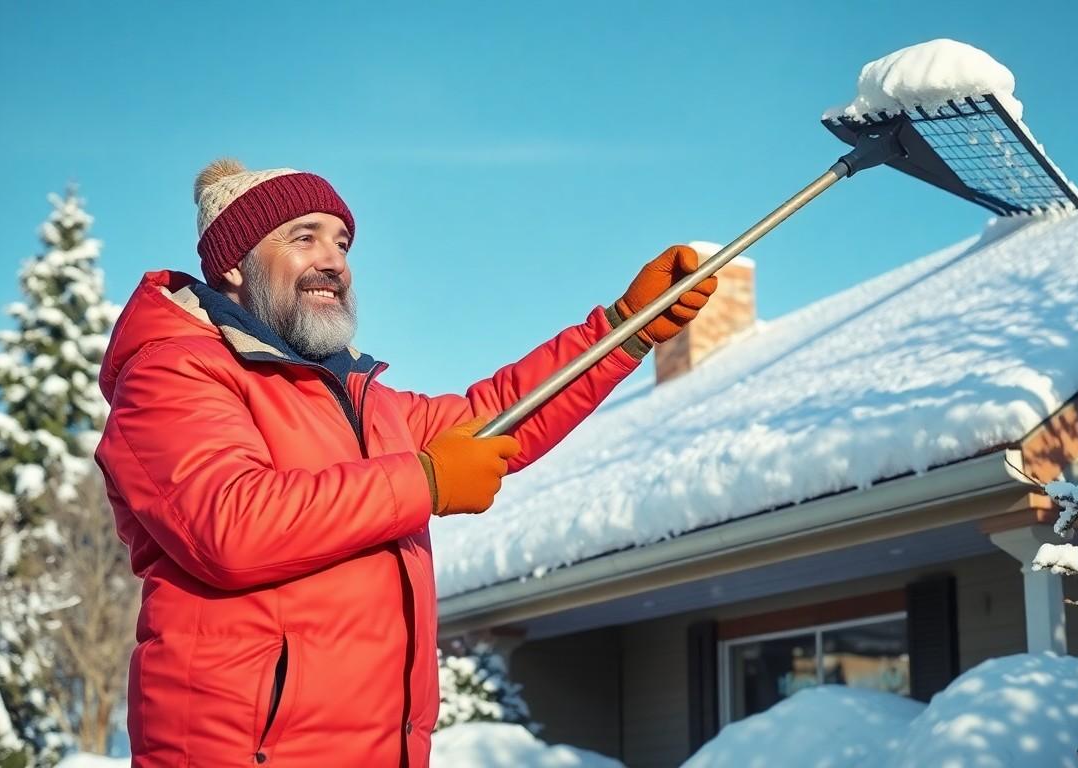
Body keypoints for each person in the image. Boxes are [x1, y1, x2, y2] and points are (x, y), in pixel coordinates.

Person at [93, 159, 718, 767]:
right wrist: (423, 480)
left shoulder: (360, 398)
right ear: (234, 263)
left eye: (341, 242)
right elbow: (228, 523)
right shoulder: (172, 370)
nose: (333, 260)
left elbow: (494, 414)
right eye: (303, 237)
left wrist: (621, 330)